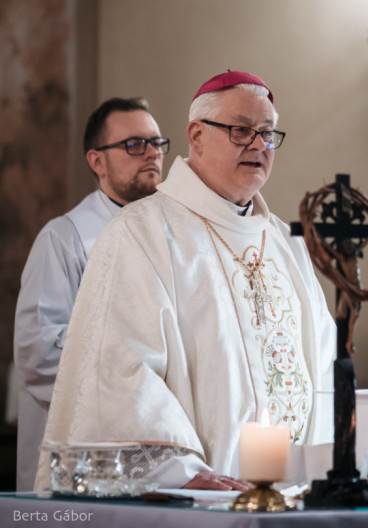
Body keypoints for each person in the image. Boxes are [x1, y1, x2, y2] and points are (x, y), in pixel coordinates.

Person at [34, 71, 336, 492]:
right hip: (200, 498)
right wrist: (180, 473)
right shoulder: (142, 232)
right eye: (241, 130)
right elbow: (121, 371)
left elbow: (322, 362)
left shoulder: (287, 245)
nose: (258, 145)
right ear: (196, 136)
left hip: (296, 496)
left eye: (267, 133)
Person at [14, 97, 169, 491]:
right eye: (134, 144)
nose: (152, 153)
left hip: (160, 443)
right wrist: (132, 382)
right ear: (97, 161)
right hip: (83, 453)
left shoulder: (172, 236)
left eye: (156, 143)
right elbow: (39, 351)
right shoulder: (65, 239)